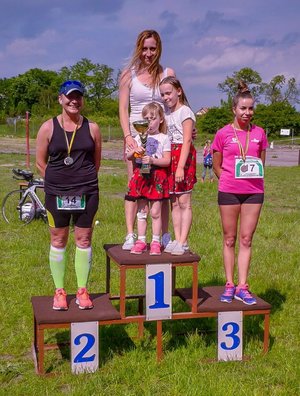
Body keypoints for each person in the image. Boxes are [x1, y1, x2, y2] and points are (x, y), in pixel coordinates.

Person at [36, 80, 101, 311]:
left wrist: (81, 181)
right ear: (60, 99)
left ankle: (82, 290)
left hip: (87, 192)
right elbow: (40, 161)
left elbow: (97, 162)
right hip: (57, 194)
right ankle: (60, 291)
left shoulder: (92, 128)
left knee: (83, 240)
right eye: (69, 96)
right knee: (58, 240)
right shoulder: (48, 127)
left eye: (79, 97)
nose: (74, 101)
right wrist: (58, 182)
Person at [212, 81, 268, 305]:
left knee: (246, 239)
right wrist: (228, 179)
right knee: (229, 239)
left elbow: (261, 162)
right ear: (234, 109)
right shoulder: (223, 133)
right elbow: (216, 164)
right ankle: (229, 283)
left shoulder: (260, 133)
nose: (247, 112)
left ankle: (243, 286)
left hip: (254, 192)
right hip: (229, 192)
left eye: (251, 108)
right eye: (243, 108)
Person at [119, 29, 175, 251]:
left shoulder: (167, 72)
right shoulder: (128, 74)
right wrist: (128, 138)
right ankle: (132, 234)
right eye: (144, 48)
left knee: (162, 186)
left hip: (161, 137)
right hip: (136, 136)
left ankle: (163, 235)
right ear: (138, 49)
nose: (148, 53)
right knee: (135, 185)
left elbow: (177, 103)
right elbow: (123, 109)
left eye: (152, 48)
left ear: (158, 49)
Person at [126, 102, 171, 255]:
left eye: (152, 118)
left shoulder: (164, 138)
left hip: (157, 176)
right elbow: (128, 156)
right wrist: (134, 152)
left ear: (161, 120)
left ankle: (156, 242)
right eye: (146, 119)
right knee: (142, 211)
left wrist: (152, 160)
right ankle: (140, 240)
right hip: (141, 176)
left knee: (156, 212)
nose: (149, 122)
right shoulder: (138, 137)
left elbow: (167, 160)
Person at [159, 76, 197, 255]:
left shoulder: (185, 112)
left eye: (168, 93)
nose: (166, 97)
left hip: (183, 157)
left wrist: (181, 166)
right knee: (173, 201)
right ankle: (177, 238)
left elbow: (187, 139)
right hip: (170, 156)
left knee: (184, 201)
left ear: (179, 91)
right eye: (162, 95)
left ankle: (184, 240)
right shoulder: (166, 114)